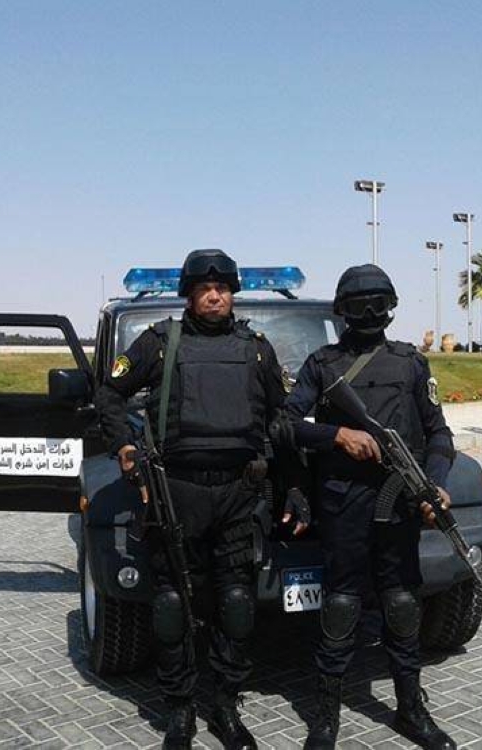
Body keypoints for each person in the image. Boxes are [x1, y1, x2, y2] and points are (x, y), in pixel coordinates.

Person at [96, 249, 303, 750]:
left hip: (239, 493)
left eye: (222, 288)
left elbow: (282, 420)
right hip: (177, 493)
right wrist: (124, 446)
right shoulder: (158, 342)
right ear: (189, 295)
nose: (215, 296)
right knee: (172, 604)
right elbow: (109, 394)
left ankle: (226, 706)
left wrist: (294, 483)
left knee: (237, 603)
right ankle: (180, 710)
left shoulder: (257, 349)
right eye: (205, 289)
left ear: (233, 294)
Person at [278, 264, 457, 750]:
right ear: (343, 311)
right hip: (345, 503)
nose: (371, 313)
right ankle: (325, 717)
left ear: (391, 307)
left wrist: (435, 485)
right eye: (360, 305)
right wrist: (337, 434)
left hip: (401, 503)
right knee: (341, 606)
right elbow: (284, 425)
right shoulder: (323, 364)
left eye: (379, 303)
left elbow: (439, 434)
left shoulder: (410, 363)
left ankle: (410, 709)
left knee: (402, 603)